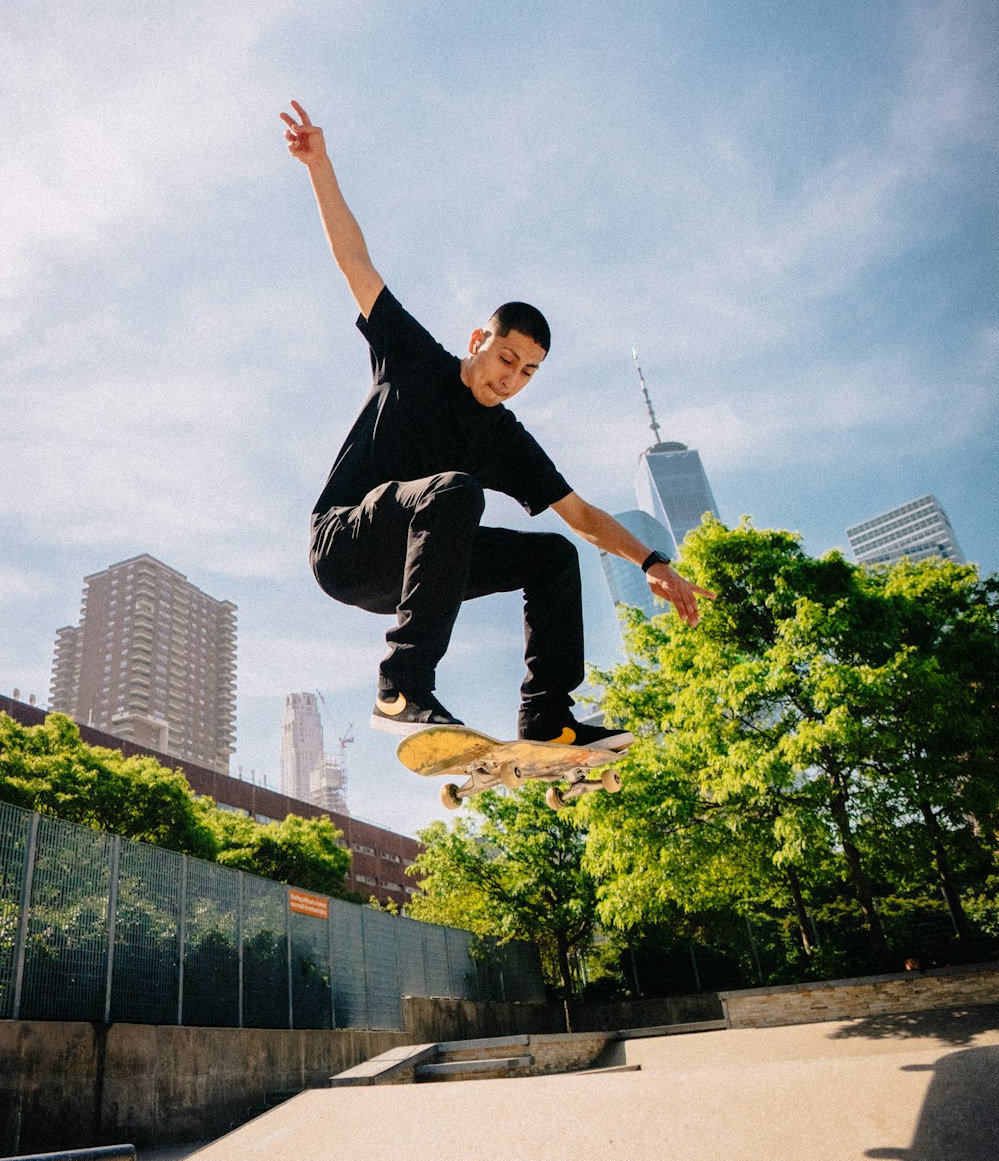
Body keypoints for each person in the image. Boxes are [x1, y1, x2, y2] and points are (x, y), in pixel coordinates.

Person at [281, 99, 715, 749]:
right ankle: (403, 687)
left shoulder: (507, 438)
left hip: (415, 570)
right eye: (506, 357)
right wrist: (320, 166)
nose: (510, 378)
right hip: (347, 545)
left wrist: (652, 559)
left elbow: (582, 514)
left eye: (528, 373)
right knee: (456, 488)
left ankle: (547, 717)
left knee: (553, 556)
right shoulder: (413, 357)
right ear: (480, 337)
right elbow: (356, 261)